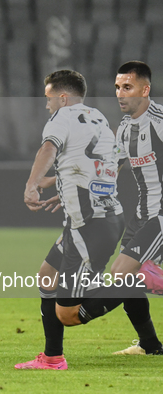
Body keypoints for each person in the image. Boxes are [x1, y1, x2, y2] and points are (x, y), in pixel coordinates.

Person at [15, 70, 162, 370]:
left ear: (63, 97)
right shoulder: (99, 119)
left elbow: (48, 148)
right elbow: (106, 166)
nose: (46, 105)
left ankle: (138, 283)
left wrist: (33, 182)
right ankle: (53, 357)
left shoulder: (62, 117)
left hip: (91, 223)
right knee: (47, 275)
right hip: (97, 216)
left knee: (70, 313)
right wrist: (64, 188)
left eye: (48, 98)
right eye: (117, 87)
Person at [106, 61, 163, 355]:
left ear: (145, 89)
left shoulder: (160, 120)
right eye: (117, 87)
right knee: (127, 278)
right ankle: (150, 345)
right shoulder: (125, 127)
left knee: (125, 273)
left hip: (160, 216)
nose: (120, 93)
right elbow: (110, 168)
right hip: (141, 215)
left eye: (127, 87)